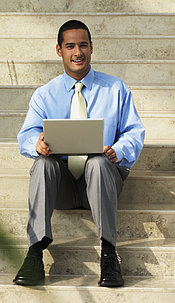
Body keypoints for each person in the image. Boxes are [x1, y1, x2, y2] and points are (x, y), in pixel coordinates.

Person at [14, 20, 145, 287]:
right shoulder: (44, 94)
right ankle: (35, 252)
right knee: (43, 164)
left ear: (92, 48)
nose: (77, 52)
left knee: (97, 162)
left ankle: (109, 253)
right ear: (59, 50)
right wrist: (36, 144)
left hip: (101, 182)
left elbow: (135, 133)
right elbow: (25, 135)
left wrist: (116, 152)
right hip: (60, 186)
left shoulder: (116, 89)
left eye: (83, 45)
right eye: (70, 46)